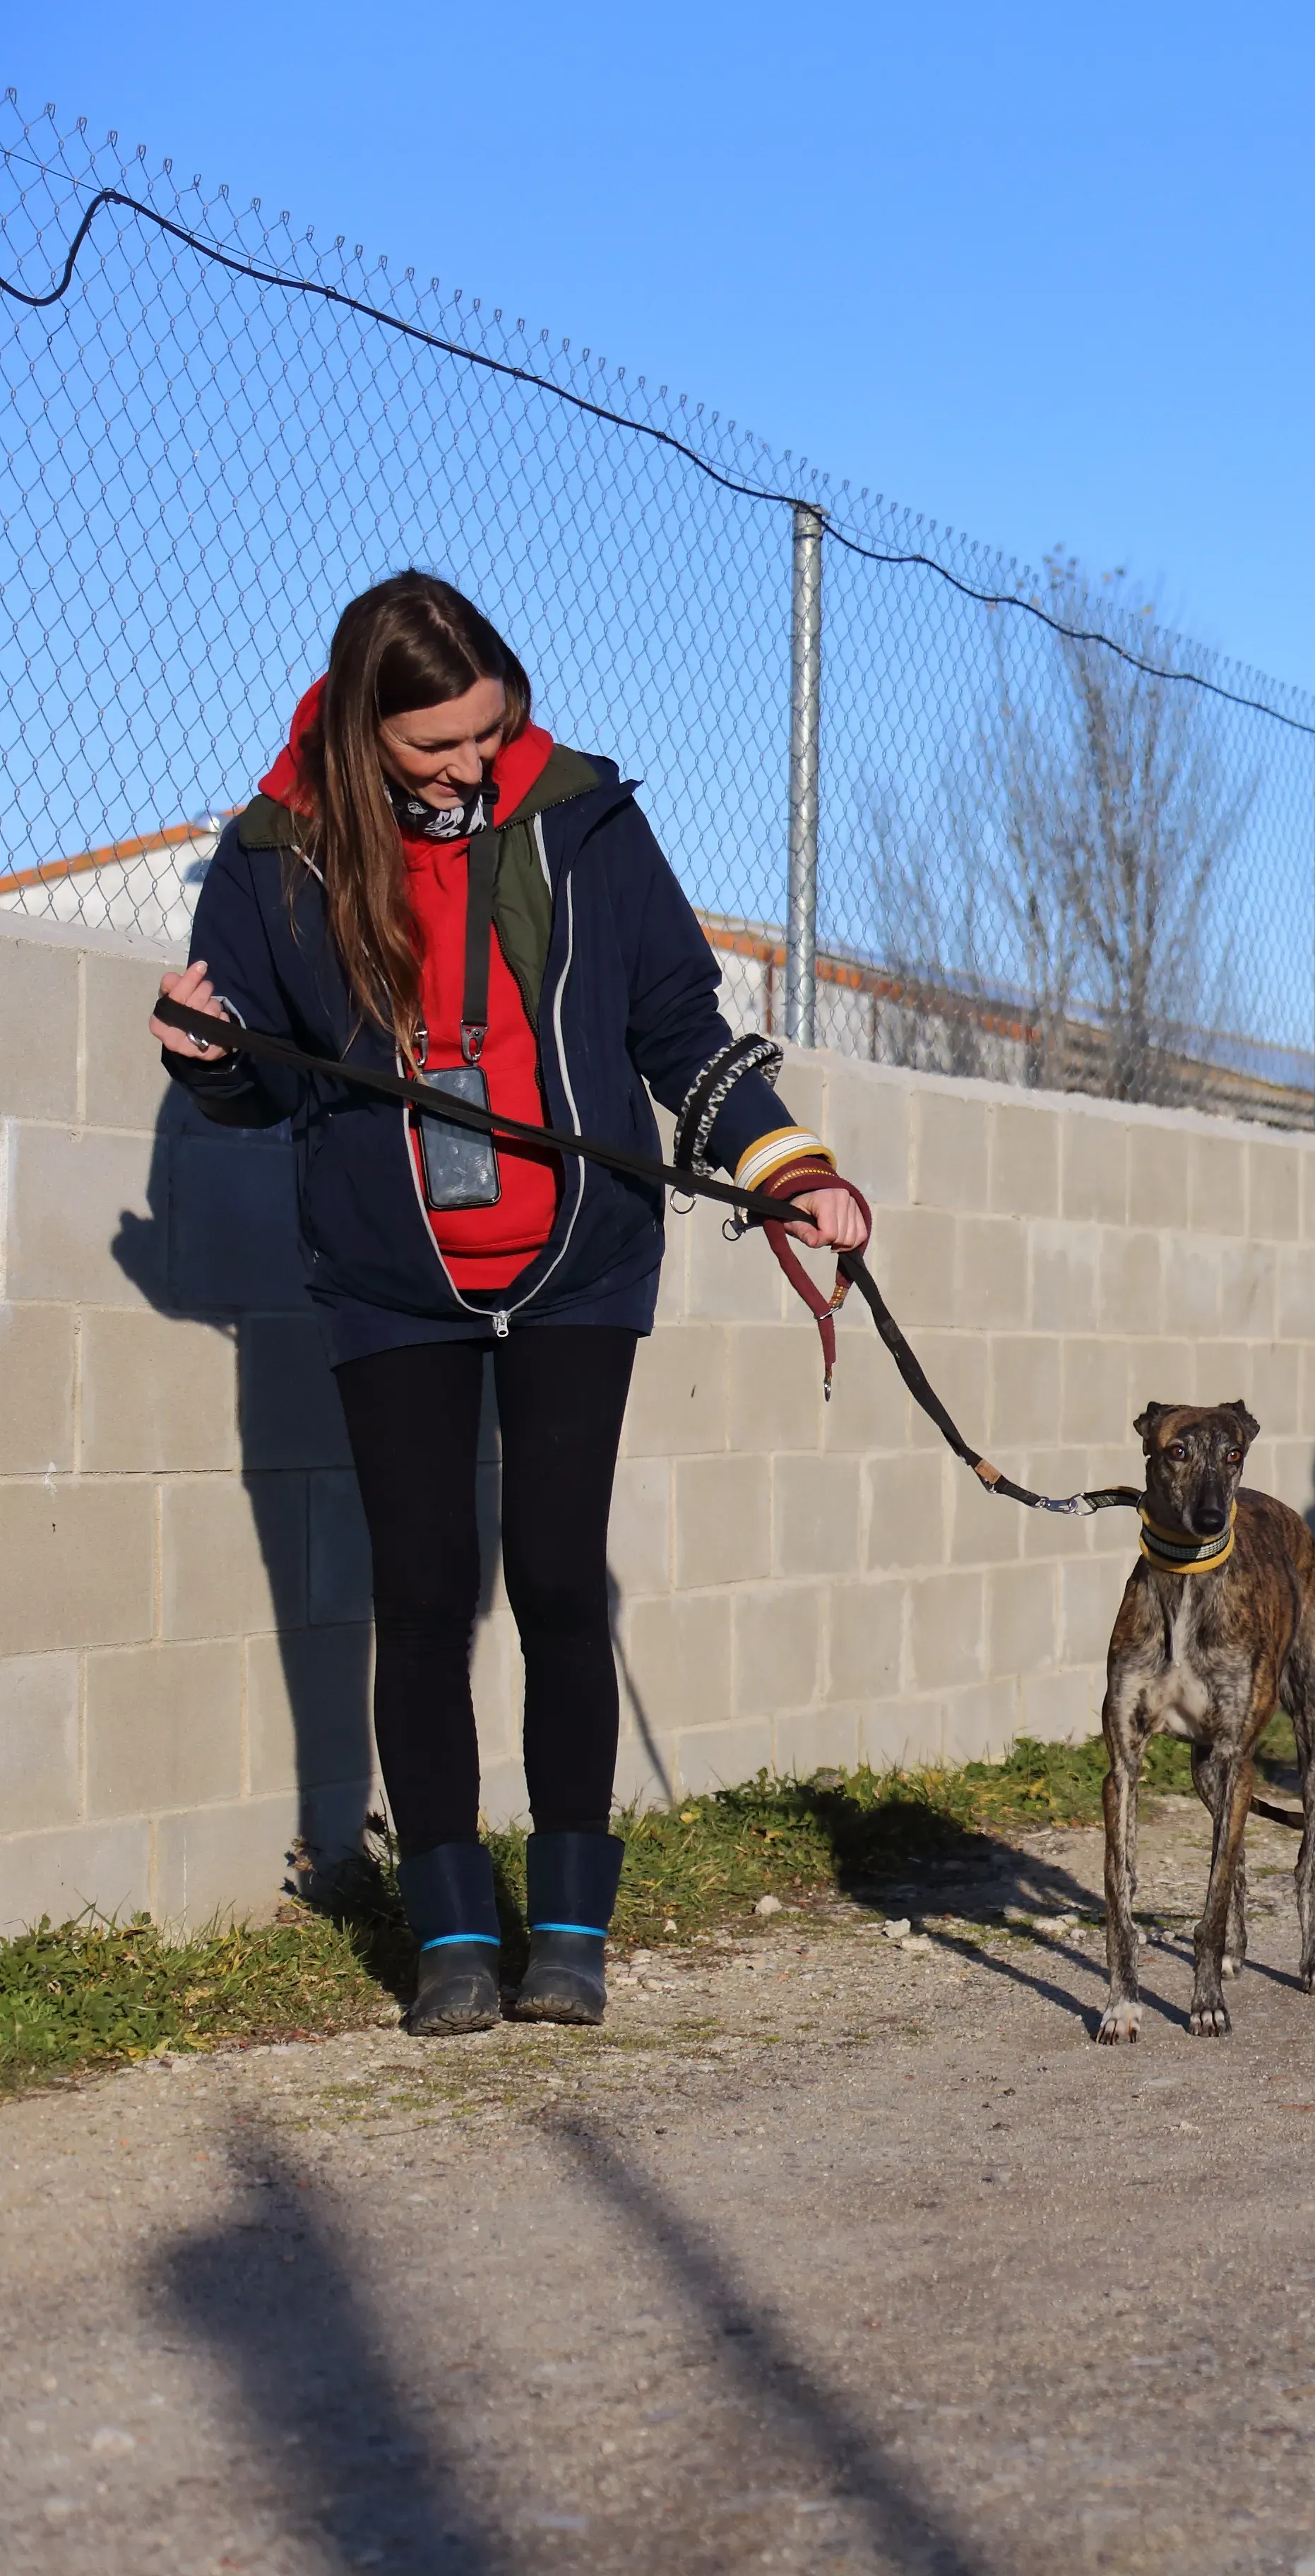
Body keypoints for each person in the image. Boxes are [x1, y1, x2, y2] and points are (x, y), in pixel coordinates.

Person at [151, 571, 870, 2039]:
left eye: (491, 730)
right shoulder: (275, 852)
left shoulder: (585, 816)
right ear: (364, 733)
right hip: (389, 1270)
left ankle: (568, 1927)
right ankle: (453, 1936)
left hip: (579, 1262)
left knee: (555, 1574)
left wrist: (788, 1164)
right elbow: (264, 1073)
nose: (473, 766)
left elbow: (675, 1019)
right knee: (419, 1595)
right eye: (437, 747)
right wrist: (211, 1053)